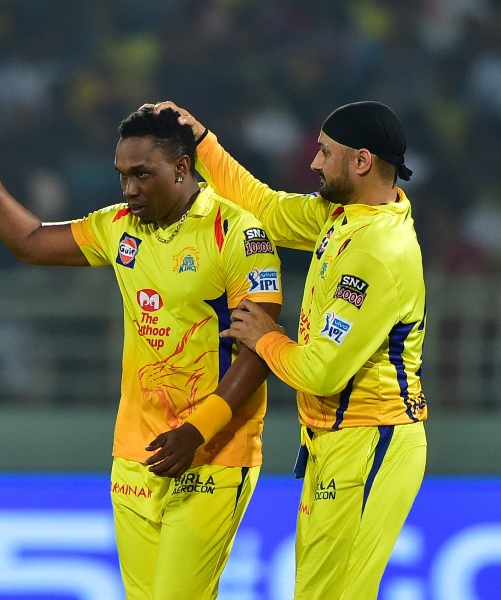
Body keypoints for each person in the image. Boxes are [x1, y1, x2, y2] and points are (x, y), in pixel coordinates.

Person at [0, 91, 283, 598]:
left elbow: (260, 350)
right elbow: (29, 241)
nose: (129, 189)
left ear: (182, 168)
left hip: (213, 452)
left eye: (142, 174)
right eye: (122, 175)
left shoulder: (237, 233)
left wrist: (197, 431)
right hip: (135, 455)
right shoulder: (119, 227)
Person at [152, 99, 427, 599]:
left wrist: (265, 336)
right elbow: (267, 210)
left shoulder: (376, 253)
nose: (314, 162)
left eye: (325, 152)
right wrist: (203, 143)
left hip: (369, 440)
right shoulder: (346, 216)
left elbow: (321, 372)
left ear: (361, 161)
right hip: (336, 441)